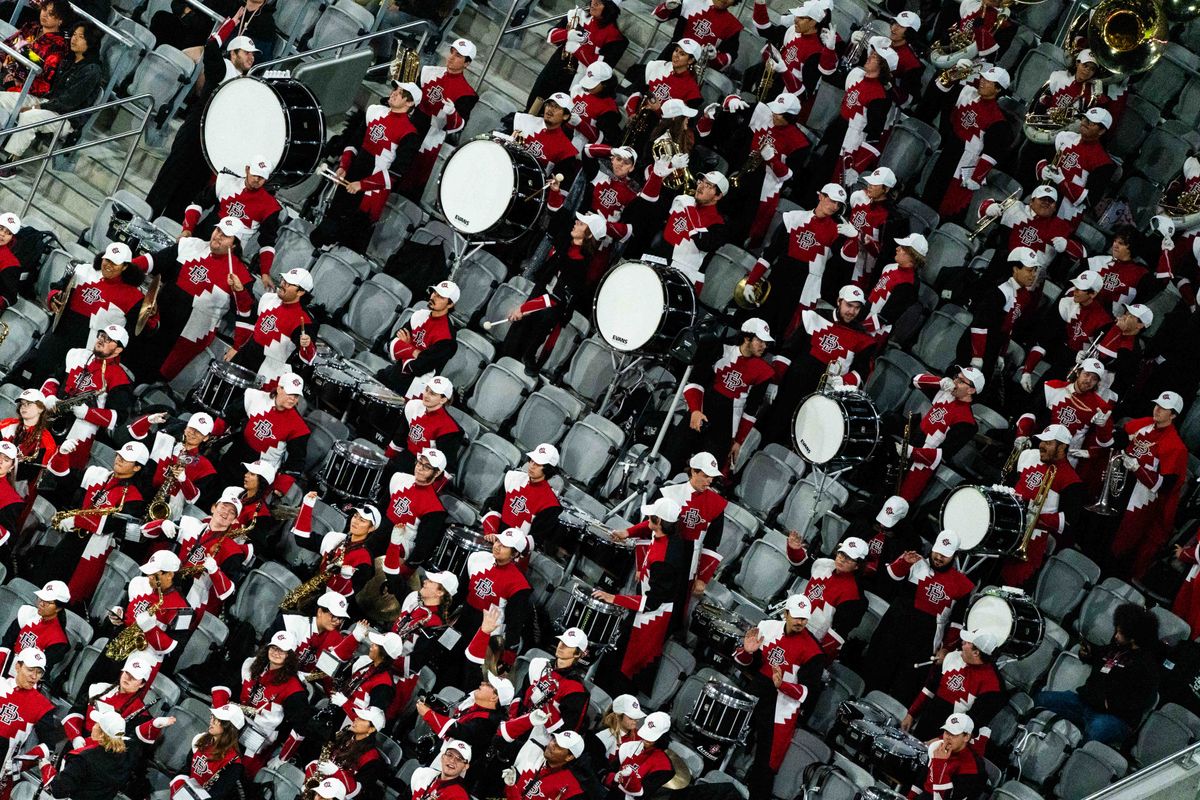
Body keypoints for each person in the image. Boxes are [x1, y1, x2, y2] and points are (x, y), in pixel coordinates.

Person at [145, 17, 259, 219]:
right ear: (233, 54)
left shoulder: (246, 81)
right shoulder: (223, 67)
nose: (251, 57)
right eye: (246, 52)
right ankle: (148, 217)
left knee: (190, 190)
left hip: (213, 145)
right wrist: (231, 23)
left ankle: (168, 225)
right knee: (169, 180)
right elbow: (212, 47)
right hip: (195, 133)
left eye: (253, 54)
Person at [127, 217, 255, 383]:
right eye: (218, 230)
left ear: (235, 244)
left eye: (225, 236)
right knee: (131, 355)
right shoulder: (190, 245)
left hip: (187, 334)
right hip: (157, 317)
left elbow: (246, 315)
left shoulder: (242, 277)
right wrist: (125, 267)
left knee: (151, 376)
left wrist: (240, 291)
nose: (217, 236)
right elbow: (155, 261)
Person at [312, 80, 423, 254]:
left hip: (371, 191)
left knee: (350, 239)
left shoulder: (410, 134)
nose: (394, 93)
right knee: (329, 226)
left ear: (409, 103)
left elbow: (395, 172)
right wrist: (344, 165)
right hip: (351, 175)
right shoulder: (374, 111)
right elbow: (355, 142)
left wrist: (362, 185)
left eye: (401, 93)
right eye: (395, 89)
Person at [862, 532, 974, 703]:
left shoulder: (962, 585)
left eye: (945, 555)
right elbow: (888, 580)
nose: (939, 557)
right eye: (937, 552)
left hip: (925, 640)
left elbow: (957, 622)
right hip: (893, 628)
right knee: (876, 672)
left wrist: (947, 648)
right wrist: (903, 563)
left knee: (905, 687)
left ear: (955, 556)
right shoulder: (915, 562)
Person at [762, 285, 875, 449]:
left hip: (821, 397)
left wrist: (844, 380)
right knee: (772, 429)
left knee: (797, 441)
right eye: (848, 305)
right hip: (792, 386)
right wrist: (775, 381)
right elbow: (788, 351)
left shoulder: (864, 339)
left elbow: (863, 371)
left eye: (857, 308)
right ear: (839, 301)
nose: (852, 311)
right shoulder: (815, 317)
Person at [734, 594, 824, 799]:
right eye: (796, 616)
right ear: (785, 614)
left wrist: (782, 685)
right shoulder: (766, 627)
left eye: (804, 618)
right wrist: (747, 652)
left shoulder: (813, 652)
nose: (800, 622)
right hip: (755, 691)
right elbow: (742, 661)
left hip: (781, 707)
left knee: (766, 765)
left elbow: (809, 694)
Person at [1035, 603, 1159, 745]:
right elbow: (1098, 655)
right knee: (1043, 699)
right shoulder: (1115, 647)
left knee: (1096, 730)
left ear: (1133, 637)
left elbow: (1143, 700)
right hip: (1085, 703)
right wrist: (1087, 653)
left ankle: (1076, 760)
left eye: (1120, 633)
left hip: (1115, 719)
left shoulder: (1147, 667)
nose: (1116, 636)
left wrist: (1110, 704)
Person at [40, 440, 148, 602]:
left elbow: (114, 526)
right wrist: (62, 454)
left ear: (137, 467)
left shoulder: (134, 497)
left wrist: (77, 520)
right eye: (119, 455)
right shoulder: (96, 474)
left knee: (69, 595)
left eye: (126, 459)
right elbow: (64, 478)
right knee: (46, 581)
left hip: (92, 549)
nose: (119, 459)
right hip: (71, 538)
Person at [701, 92, 810, 248]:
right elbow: (729, 101)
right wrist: (732, 102)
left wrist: (772, 159)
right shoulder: (762, 112)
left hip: (761, 191)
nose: (773, 114)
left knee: (738, 230)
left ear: (790, 117)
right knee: (714, 210)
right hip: (738, 174)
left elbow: (788, 176)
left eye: (778, 113)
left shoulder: (800, 144)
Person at [502, 212, 604, 376]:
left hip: (544, 318)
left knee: (520, 356)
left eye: (582, 224)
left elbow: (556, 298)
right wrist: (556, 192)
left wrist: (524, 308)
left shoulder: (580, 264)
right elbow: (556, 223)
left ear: (589, 234)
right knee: (510, 346)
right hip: (536, 304)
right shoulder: (567, 246)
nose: (577, 222)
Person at [613, 452, 725, 598]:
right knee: (643, 603)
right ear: (693, 471)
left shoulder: (716, 505)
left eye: (712, 477)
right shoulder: (669, 493)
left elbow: (712, 543)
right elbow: (652, 525)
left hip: (687, 566)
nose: (710, 481)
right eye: (705, 476)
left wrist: (703, 579)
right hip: (658, 559)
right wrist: (629, 535)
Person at [670, 318, 776, 473]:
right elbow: (696, 381)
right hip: (701, 412)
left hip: (725, 427)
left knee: (707, 473)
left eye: (766, 343)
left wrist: (738, 441)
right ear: (747, 337)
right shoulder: (721, 350)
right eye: (760, 341)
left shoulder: (764, 372)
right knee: (674, 455)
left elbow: (751, 411)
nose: (764, 346)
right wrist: (695, 410)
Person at [28, 243, 143, 385]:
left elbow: (137, 331)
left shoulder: (134, 297)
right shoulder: (83, 271)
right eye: (107, 260)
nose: (108, 265)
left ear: (125, 266)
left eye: (115, 263)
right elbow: (58, 287)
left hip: (89, 350)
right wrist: (53, 297)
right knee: (38, 378)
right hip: (59, 335)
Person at [742, 184, 851, 334]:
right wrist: (751, 281)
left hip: (804, 288)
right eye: (832, 200)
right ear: (821, 196)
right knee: (759, 322)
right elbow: (769, 254)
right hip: (778, 279)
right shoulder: (793, 218)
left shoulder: (837, 232)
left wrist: (854, 240)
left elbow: (845, 265)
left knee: (782, 332)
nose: (834, 207)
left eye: (839, 205)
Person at [0, 22, 104, 179]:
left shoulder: (92, 70)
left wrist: (37, 107)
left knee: (30, 117)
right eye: (74, 35)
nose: (74, 39)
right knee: (4, 98)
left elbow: (69, 102)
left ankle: (10, 164)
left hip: (66, 117)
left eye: (81, 37)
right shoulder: (69, 59)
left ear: (90, 41)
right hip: (47, 102)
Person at [1109, 391, 1189, 579]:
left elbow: (1165, 486)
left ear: (1174, 415)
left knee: (1119, 546)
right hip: (1119, 485)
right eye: (1157, 405)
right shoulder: (1144, 423)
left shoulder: (1175, 446)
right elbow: (1120, 436)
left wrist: (1137, 467)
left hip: (1140, 500)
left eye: (1164, 408)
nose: (1158, 410)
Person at [920, 64, 1013, 222]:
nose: (982, 82)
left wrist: (975, 178)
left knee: (947, 205)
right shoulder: (966, 92)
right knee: (929, 193)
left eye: (989, 81)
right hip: (947, 150)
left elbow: (991, 154)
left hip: (963, 165)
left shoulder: (998, 121)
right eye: (983, 77)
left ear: (998, 89)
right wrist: (954, 71)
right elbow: (941, 90)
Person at [180, 155, 283, 285]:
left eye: (262, 177)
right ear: (247, 169)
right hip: (202, 238)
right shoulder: (226, 181)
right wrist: (187, 230)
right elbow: (197, 204)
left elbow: (267, 242)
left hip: (230, 254)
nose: (257, 179)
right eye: (255, 174)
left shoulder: (270, 206)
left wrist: (265, 273)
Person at [396, 39, 478, 199]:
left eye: (458, 56)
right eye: (452, 52)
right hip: (410, 128)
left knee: (410, 185)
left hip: (430, 139)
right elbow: (410, 101)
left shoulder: (468, 94)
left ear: (467, 63)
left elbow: (459, 125)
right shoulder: (428, 72)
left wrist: (452, 112)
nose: (451, 58)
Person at [218, 631, 306, 776]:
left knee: (240, 774)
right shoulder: (251, 664)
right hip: (234, 724)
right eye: (274, 648)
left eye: (282, 651)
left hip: (260, 737)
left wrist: (283, 757)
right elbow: (223, 686)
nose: (276, 653)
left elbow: (301, 726)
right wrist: (221, 713)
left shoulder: (294, 688)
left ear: (289, 655)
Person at [890, 368, 983, 503]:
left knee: (900, 501)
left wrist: (912, 452)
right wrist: (940, 382)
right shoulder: (945, 393)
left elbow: (943, 455)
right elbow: (915, 380)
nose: (955, 382)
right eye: (956, 377)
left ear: (971, 390)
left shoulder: (967, 422)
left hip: (922, 461)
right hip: (912, 441)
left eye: (961, 381)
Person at [902, 630, 1004, 750]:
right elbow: (930, 688)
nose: (962, 643)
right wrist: (911, 713)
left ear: (976, 652)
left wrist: (943, 740)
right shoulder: (953, 657)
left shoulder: (993, 686)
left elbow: (973, 724)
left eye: (967, 643)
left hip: (951, 742)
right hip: (926, 723)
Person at [217, 372, 310, 491]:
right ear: (279, 388)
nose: (293, 398)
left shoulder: (299, 428)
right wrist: (212, 434)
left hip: (261, 472)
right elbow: (228, 416)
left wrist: (281, 488)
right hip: (236, 454)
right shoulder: (254, 396)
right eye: (290, 393)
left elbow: (296, 461)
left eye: (296, 395)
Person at [526, 0, 625, 112]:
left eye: (600, 2)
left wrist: (578, 50)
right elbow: (550, 35)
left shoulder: (616, 38)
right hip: (553, 69)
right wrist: (567, 34)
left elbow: (601, 70)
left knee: (555, 114)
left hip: (576, 82)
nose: (594, 3)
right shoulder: (577, 15)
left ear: (610, 8)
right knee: (532, 106)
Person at [228, 267, 317, 388]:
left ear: (300, 292)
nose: (282, 284)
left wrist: (307, 345)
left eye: (289, 283)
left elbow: (309, 359)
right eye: (283, 280)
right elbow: (249, 317)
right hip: (246, 354)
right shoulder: (268, 298)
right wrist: (240, 291)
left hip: (267, 372)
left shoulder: (305, 321)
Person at [291, 491, 383, 607]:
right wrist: (307, 506)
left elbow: (347, 598)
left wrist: (344, 578)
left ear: (371, 528)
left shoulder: (364, 560)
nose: (355, 521)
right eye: (355, 516)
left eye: (362, 520)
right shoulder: (337, 539)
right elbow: (301, 539)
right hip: (309, 591)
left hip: (329, 608)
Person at [1017, 270, 1112, 380]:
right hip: (1058, 351)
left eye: (1079, 289)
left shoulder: (1103, 320)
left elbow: (1099, 356)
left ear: (1093, 294)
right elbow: (1045, 337)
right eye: (1075, 286)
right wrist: (1027, 371)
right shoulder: (1067, 302)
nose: (1074, 291)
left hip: (1077, 366)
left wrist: (1086, 358)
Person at [171, 493, 253, 617]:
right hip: (166, 585)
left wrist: (215, 571)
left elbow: (229, 592)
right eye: (223, 507)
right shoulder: (189, 524)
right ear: (213, 508)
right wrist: (162, 524)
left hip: (191, 602)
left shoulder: (232, 550)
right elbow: (144, 534)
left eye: (231, 512)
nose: (225, 513)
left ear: (234, 520)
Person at [1034, 107, 1116, 229]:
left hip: (1065, 213)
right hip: (1041, 196)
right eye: (1084, 118)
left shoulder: (1103, 163)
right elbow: (1042, 158)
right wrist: (1042, 170)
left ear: (1101, 131)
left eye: (1091, 123)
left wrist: (1062, 181)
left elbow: (1089, 200)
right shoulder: (1064, 137)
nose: (1084, 123)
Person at [126, 411, 218, 519]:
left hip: (166, 514)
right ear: (185, 428)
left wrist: (184, 480)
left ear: (206, 437)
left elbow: (193, 499)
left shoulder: (206, 467)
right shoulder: (165, 440)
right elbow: (134, 434)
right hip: (138, 497)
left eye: (199, 432)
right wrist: (147, 420)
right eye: (192, 428)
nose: (193, 433)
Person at [375, 280, 459, 398]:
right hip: (396, 371)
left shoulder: (447, 338)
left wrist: (406, 346)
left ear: (450, 304)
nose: (433, 297)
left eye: (440, 297)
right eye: (434, 293)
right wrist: (415, 351)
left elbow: (417, 368)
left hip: (414, 386)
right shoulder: (419, 315)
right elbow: (392, 344)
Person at [747, 0, 836, 107]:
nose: (795, 20)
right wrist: (760, 4)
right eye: (797, 16)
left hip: (784, 104)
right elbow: (765, 30)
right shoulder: (792, 31)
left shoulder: (816, 52)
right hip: (768, 87)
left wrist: (784, 71)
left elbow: (804, 94)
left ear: (813, 22)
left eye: (802, 18)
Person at [380, 447, 449, 584]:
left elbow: (422, 549)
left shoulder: (435, 509)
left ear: (437, 473)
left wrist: (402, 575)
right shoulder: (398, 478)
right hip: (379, 533)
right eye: (419, 462)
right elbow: (381, 510)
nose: (419, 468)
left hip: (400, 549)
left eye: (427, 467)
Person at [479, 443, 563, 551]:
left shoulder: (551, 504)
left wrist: (506, 544)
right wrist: (492, 531)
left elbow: (535, 538)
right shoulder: (513, 478)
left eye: (538, 464)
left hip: (515, 552)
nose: (532, 466)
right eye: (532, 461)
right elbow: (496, 507)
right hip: (493, 538)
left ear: (548, 469)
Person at [42, 707, 135, 800]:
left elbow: (58, 790)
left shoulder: (83, 759)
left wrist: (46, 768)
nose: (93, 726)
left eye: (96, 724)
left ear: (102, 734)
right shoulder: (126, 757)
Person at [416, 671, 512, 758]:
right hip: (444, 752)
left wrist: (428, 714)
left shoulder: (488, 723)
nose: (483, 683)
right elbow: (456, 720)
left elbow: (459, 731)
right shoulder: (475, 705)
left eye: (489, 685)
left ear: (494, 697)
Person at [297, 705, 387, 799]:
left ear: (371, 729)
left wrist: (336, 772)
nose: (356, 718)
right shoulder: (346, 735)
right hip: (323, 784)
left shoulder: (372, 758)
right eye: (358, 716)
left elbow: (357, 791)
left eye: (362, 719)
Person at [169, 702, 244, 799]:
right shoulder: (201, 739)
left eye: (218, 719)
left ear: (229, 727)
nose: (212, 721)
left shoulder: (234, 763)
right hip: (185, 792)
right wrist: (179, 780)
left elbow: (217, 794)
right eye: (213, 716)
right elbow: (187, 768)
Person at [652, 0, 742, 73]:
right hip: (667, 59)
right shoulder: (691, 2)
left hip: (693, 74)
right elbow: (658, 17)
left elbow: (731, 56)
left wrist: (714, 57)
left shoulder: (732, 25)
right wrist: (667, 7)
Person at [0, 0, 68, 96]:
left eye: (51, 13)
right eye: (44, 9)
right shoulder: (32, 26)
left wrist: (15, 83)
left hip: (20, 89)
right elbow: (8, 44)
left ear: (61, 20)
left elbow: (44, 84)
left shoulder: (58, 46)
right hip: (4, 70)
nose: (45, 15)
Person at [911, 713, 986, 800]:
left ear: (966, 737)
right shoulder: (936, 747)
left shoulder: (972, 767)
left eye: (954, 734)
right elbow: (922, 780)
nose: (947, 737)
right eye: (946, 732)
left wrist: (939, 763)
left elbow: (944, 797)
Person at [1, 579, 69, 671]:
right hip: (6, 663)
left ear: (58, 608)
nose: (41, 604)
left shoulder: (58, 641)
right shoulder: (27, 614)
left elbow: (39, 669)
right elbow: (7, 642)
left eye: (47, 602)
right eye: (41, 599)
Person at [606, 712, 675, 800]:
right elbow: (610, 770)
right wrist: (613, 778)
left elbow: (643, 795)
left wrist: (630, 778)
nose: (646, 739)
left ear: (662, 737)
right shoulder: (629, 747)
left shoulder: (664, 766)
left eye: (651, 737)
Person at [502, 731, 590, 800]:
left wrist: (512, 788)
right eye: (554, 740)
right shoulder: (533, 750)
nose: (552, 745)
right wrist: (529, 719)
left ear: (569, 757)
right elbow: (499, 740)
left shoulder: (572, 788)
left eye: (559, 746)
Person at [588, 695, 645, 768]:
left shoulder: (637, 735)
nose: (637, 720)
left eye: (637, 716)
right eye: (631, 717)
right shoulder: (603, 736)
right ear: (618, 716)